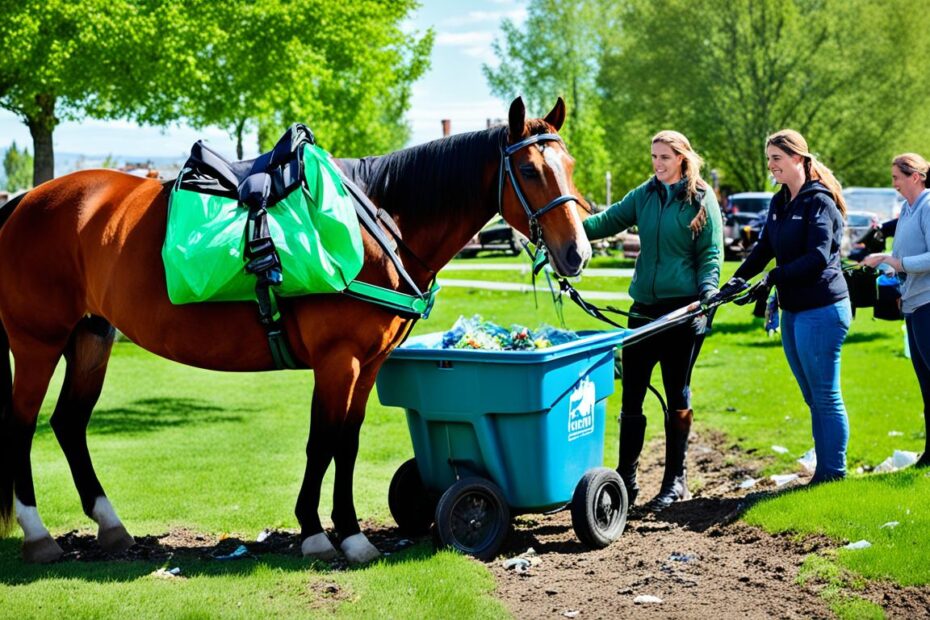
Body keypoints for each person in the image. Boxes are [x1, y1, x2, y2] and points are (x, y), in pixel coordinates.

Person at [583, 130, 723, 511]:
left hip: (683, 311)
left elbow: (710, 253)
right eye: (653, 157)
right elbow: (604, 222)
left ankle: (674, 481)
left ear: (681, 157)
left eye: (664, 157)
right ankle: (626, 477)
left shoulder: (700, 198)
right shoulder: (644, 195)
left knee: (677, 392)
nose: (657, 164)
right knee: (632, 395)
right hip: (643, 310)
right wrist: (559, 232)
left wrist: (708, 293)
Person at [717, 129, 851, 483]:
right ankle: (825, 472)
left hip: (822, 309)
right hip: (793, 310)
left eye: (776, 158)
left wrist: (773, 278)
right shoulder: (779, 201)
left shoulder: (819, 202)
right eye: (768, 159)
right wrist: (738, 279)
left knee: (825, 395)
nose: (770, 166)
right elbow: (764, 248)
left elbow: (819, 257)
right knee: (811, 395)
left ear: (797, 159)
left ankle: (832, 474)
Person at [862, 152, 930, 467]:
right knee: (925, 382)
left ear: (915, 176)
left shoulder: (928, 206)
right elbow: (905, 252)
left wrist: (896, 262)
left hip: (928, 303)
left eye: (897, 178)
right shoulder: (906, 209)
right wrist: (889, 265)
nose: (894, 184)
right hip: (913, 303)